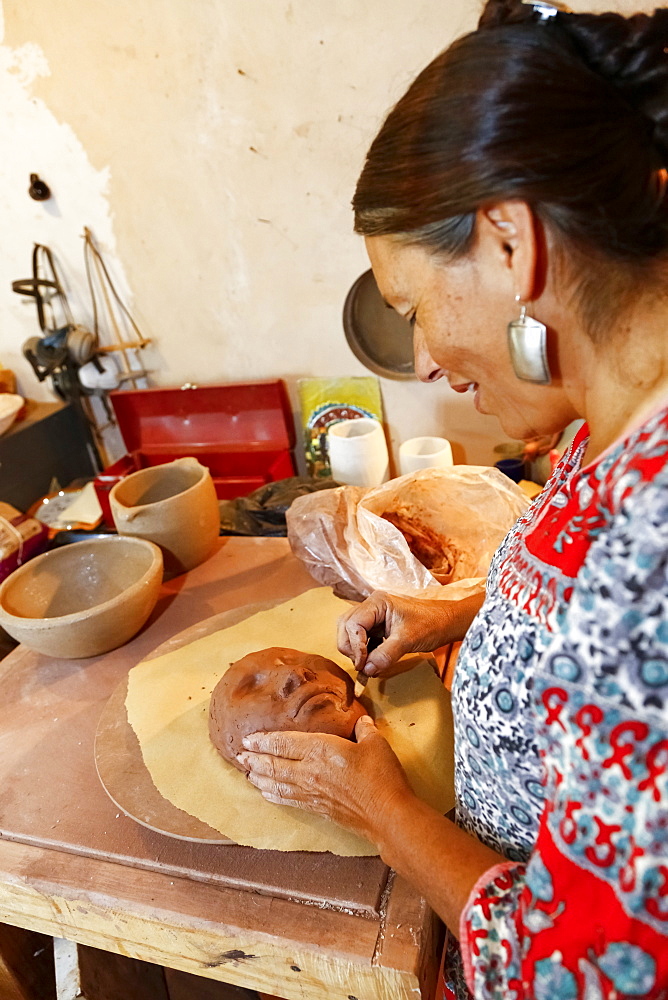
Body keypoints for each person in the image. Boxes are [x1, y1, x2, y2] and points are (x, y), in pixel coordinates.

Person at [237, 1, 668, 996]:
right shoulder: (603, 427)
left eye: (413, 309)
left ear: (510, 244)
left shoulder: (651, 532)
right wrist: (466, 608)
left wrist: (384, 810)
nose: (425, 360)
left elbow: (583, 974)